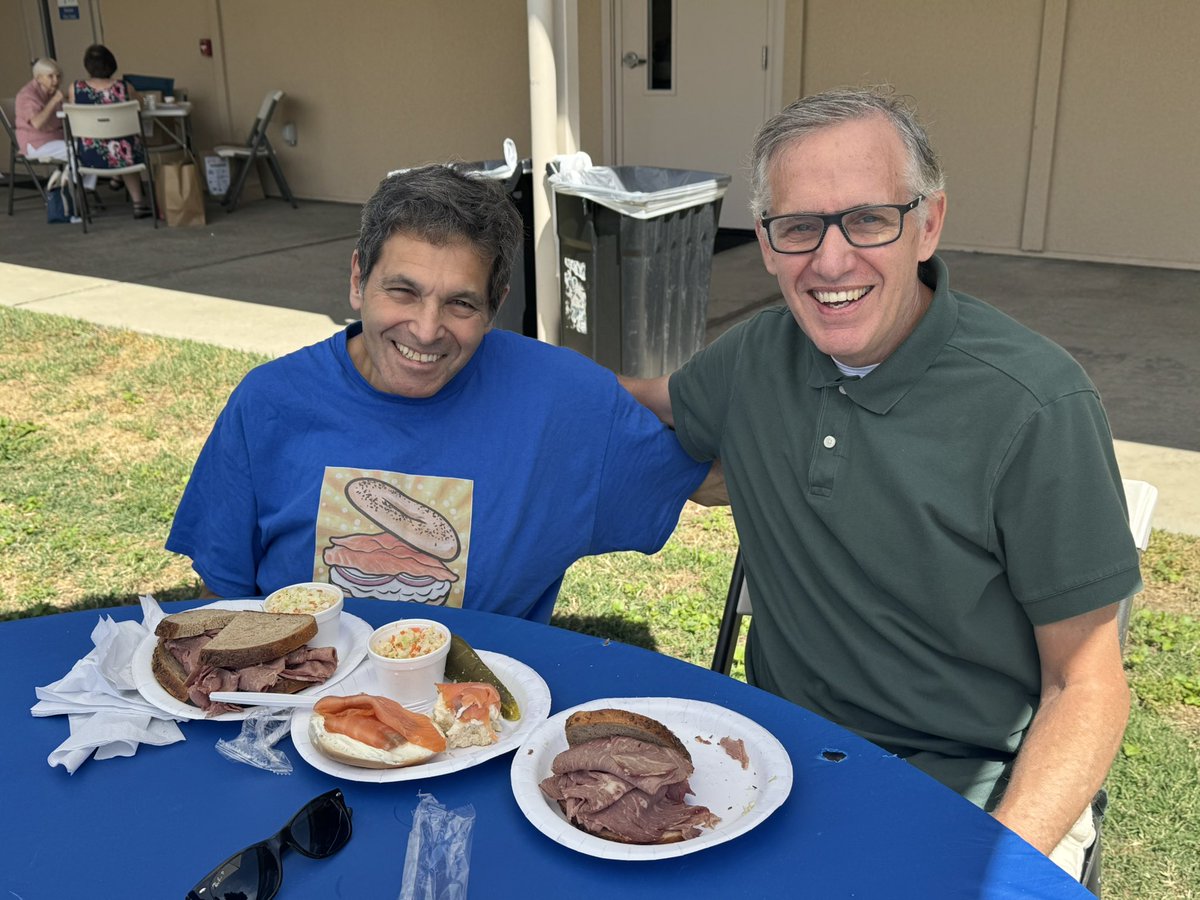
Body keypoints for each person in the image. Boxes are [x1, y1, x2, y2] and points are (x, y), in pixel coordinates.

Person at [621, 86, 1139, 880]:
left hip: (975, 790)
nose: (831, 261)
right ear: (764, 243)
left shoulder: (1035, 404)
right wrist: (494, 364)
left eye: (868, 219)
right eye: (798, 227)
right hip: (778, 757)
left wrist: (993, 863)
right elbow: (648, 405)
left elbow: (1088, 684)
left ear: (928, 223)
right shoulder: (755, 356)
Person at [166, 164, 710, 624]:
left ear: (494, 305)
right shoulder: (268, 404)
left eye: (461, 304)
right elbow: (222, 601)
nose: (426, 330)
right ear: (359, 280)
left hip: (480, 718)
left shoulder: (561, 402)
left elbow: (725, 477)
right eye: (403, 291)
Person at [68, 44, 151, 218]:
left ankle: (115, 180)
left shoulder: (76, 88)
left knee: (115, 142)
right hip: (125, 155)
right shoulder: (124, 87)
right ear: (111, 64)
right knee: (124, 144)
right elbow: (140, 106)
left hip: (90, 153)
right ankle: (138, 203)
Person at [14, 58, 69, 167]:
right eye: (50, 76)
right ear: (38, 78)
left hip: (56, 139)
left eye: (58, 76)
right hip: (36, 143)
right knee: (79, 152)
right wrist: (54, 101)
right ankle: (71, 180)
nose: (56, 81)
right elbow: (37, 123)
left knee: (90, 149)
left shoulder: (51, 92)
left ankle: (70, 179)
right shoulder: (27, 96)